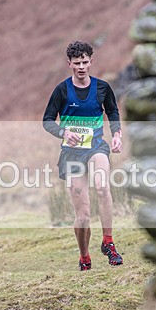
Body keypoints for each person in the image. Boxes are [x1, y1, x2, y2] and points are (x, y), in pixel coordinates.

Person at [42, 40, 124, 271]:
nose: (81, 67)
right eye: (77, 63)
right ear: (69, 63)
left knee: (102, 187)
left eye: (85, 62)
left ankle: (108, 243)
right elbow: (47, 121)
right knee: (84, 215)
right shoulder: (61, 90)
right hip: (71, 155)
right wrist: (64, 132)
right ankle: (84, 255)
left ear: (91, 61)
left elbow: (113, 111)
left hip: (96, 146)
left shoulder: (102, 88)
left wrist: (117, 134)